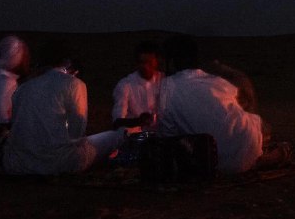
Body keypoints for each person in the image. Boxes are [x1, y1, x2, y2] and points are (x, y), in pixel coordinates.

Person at [3, 42, 123, 175]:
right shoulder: (74, 84)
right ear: (67, 62)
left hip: (19, 163)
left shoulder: (22, 89)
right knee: (116, 136)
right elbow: (76, 133)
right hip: (58, 162)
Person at [156, 34, 264, 174]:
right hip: (251, 148)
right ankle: (262, 156)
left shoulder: (163, 90)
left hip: (213, 161)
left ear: (170, 62)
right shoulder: (218, 82)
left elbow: (167, 135)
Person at [112, 40, 163, 130]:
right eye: (142, 63)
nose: (146, 67)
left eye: (150, 63)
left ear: (157, 61)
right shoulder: (125, 85)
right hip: (135, 137)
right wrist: (138, 121)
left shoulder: (164, 81)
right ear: (137, 63)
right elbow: (118, 120)